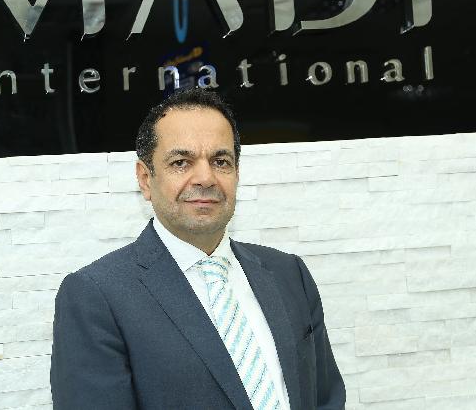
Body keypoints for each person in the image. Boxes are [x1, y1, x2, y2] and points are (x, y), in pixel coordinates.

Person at [50, 88, 345, 409]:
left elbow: (326, 398)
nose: (205, 178)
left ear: (236, 173)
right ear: (145, 179)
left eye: (221, 161)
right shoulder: (96, 296)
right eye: (181, 162)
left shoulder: (289, 274)